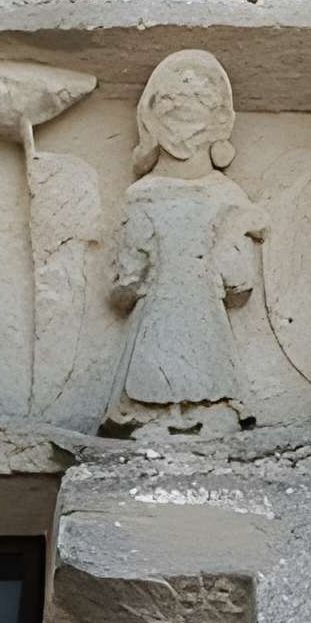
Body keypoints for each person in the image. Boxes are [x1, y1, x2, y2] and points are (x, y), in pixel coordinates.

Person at [104, 50, 261, 439]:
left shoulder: (227, 197)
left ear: (218, 124)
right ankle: (154, 413)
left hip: (197, 307)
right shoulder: (143, 196)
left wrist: (233, 238)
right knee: (157, 357)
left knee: (201, 355)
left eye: (195, 112)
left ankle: (207, 411)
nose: (183, 128)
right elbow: (125, 282)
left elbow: (239, 282)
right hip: (164, 308)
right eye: (174, 113)